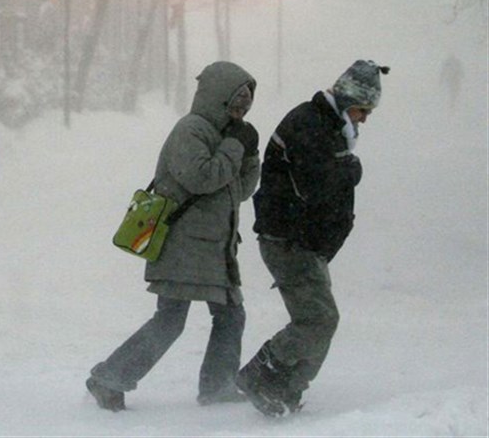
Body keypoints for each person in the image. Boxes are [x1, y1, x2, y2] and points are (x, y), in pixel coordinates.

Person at [86, 61, 261, 411]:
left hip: (214, 249)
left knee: (229, 316)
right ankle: (109, 379)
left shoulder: (227, 136)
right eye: (235, 102)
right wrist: (234, 148)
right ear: (217, 98)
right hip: (183, 244)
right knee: (171, 320)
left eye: (246, 104)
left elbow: (238, 191)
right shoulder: (191, 131)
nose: (241, 110)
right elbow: (202, 178)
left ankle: (217, 386)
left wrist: (250, 154)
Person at [237, 60, 390, 417]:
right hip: (289, 239)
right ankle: (262, 375)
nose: (364, 118)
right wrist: (351, 170)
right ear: (347, 99)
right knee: (319, 319)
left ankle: (284, 388)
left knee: (322, 318)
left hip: (303, 241)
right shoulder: (310, 123)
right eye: (362, 110)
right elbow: (313, 186)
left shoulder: (327, 125)